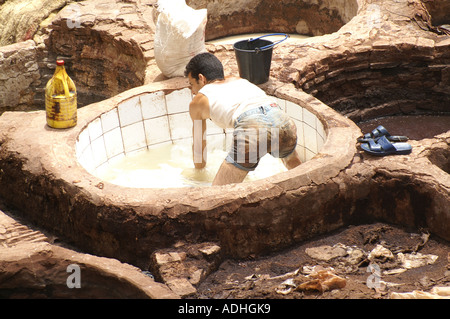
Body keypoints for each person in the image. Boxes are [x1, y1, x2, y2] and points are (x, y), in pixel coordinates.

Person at [184, 52, 302, 186]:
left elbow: (200, 147)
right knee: (299, 175)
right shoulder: (238, 80)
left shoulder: (198, 101)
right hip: (282, 120)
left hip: (253, 128)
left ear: (201, 78)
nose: (193, 91)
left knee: (219, 192)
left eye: (192, 84)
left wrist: (198, 175)